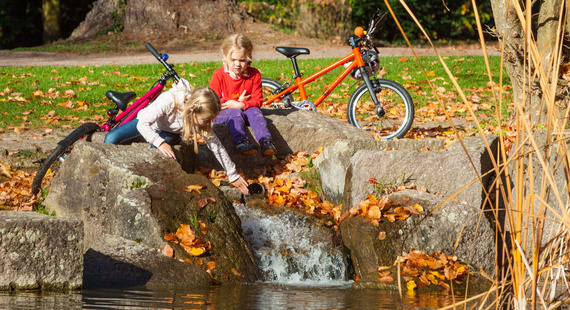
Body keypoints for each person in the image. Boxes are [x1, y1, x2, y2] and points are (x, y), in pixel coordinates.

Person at [104, 81, 249, 194]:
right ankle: (106, 178)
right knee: (111, 138)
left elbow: (215, 145)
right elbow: (143, 124)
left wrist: (233, 174)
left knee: (158, 152)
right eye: (206, 120)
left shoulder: (198, 119)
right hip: (147, 125)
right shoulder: (170, 100)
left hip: (169, 133)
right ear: (193, 111)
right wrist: (159, 142)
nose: (208, 123)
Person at [209, 33, 276, 156]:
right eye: (233, 60)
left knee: (255, 111)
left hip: (244, 111)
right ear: (225, 57)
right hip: (223, 114)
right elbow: (214, 101)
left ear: (249, 58)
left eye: (242, 60)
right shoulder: (219, 75)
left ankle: (266, 141)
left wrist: (241, 104)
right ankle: (240, 142)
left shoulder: (254, 74)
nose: (237, 64)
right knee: (235, 113)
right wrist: (233, 104)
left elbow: (258, 100)